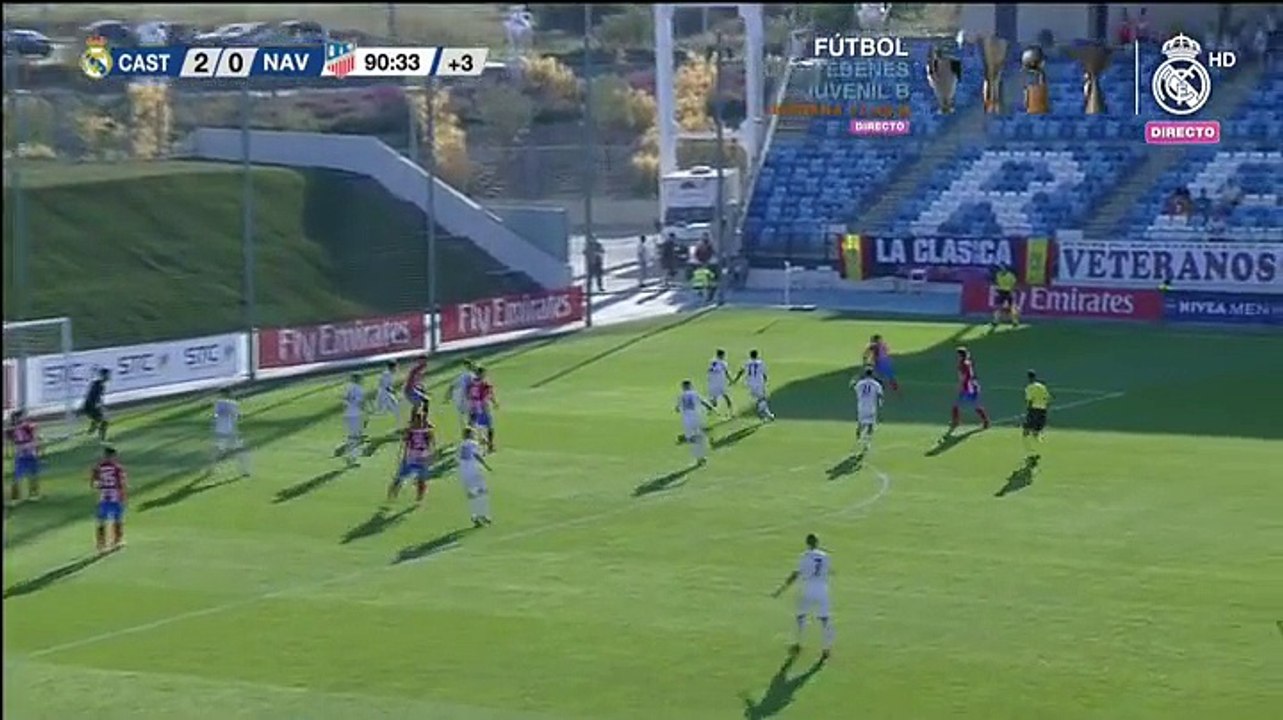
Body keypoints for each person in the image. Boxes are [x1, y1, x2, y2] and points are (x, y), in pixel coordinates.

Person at [771, 533, 833, 660]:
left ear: (807, 543)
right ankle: (826, 648)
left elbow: (796, 574)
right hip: (822, 589)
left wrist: (781, 589)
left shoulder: (804, 556)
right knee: (825, 620)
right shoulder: (825, 556)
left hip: (807, 589)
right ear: (817, 542)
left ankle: (799, 643)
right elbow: (828, 571)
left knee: (801, 616)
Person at [389, 411, 434, 505]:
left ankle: (419, 499)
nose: (419, 422)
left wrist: (430, 456)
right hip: (411, 458)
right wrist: (403, 456)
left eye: (420, 420)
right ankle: (391, 496)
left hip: (422, 458)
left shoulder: (427, 432)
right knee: (399, 478)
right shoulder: (410, 432)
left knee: (421, 481)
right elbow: (405, 444)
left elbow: (431, 445)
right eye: (417, 420)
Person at [91, 446, 127, 553]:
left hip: (103, 496)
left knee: (101, 520)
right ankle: (117, 541)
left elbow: (94, 483)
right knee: (117, 519)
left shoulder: (98, 467)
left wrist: (99, 487)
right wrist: (122, 495)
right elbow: (121, 482)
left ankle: (101, 545)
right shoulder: (117, 468)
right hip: (114, 495)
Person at [949, 346, 991, 433]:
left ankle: (956, 422)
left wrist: (960, 386)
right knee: (974, 406)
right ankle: (986, 421)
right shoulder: (967, 363)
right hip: (972, 386)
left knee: (957, 405)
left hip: (968, 388)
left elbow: (963, 377)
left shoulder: (963, 364)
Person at [459, 426, 493, 527]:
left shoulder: (461, 445)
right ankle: (482, 515)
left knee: (472, 495)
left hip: (464, 473)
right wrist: (486, 466)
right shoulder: (473, 443)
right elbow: (477, 455)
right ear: (470, 434)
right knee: (482, 493)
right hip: (474, 472)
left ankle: (475, 516)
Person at [675, 379, 715, 464]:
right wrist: (711, 408)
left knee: (694, 439)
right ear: (690, 386)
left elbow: (677, 409)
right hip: (697, 417)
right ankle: (701, 456)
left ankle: (699, 458)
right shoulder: (695, 393)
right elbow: (704, 402)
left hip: (686, 419)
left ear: (683, 387)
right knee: (700, 437)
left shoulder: (681, 396)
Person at [213, 388, 250, 477]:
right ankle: (244, 471)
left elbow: (216, 415)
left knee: (219, 450)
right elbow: (236, 416)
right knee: (240, 451)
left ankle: (212, 469)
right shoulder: (233, 404)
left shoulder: (218, 403)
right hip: (230, 432)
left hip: (221, 431)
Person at [7, 410, 41, 503]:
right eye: (22, 417)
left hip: (29, 453)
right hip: (22, 454)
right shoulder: (17, 429)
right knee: (18, 476)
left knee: (33, 474)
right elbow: (18, 441)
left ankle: (33, 494)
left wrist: (35, 442)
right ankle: (16, 497)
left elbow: (34, 429)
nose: (24, 419)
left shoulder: (25, 427)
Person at [733, 349, 775, 421]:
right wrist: (765, 381)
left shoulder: (747, 363)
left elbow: (741, 372)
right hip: (759, 383)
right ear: (757, 355)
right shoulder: (761, 363)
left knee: (760, 399)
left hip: (750, 384)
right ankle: (765, 414)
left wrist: (735, 380)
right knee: (762, 399)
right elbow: (764, 374)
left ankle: (765, 414)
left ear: (750, 355)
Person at [851, 367, 884, 454]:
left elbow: (853, 387)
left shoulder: (860, 383)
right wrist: (880, 404)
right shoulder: (876, 384)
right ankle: (867, 443)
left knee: (860, 424)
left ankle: (858, 441)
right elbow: (880, 395)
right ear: (872, 374)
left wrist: (855, 378)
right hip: (871, 407)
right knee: (870, 426)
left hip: (861, 407)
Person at [1022, 370, 1052, 463]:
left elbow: (1030, 400)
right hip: (1043, 410)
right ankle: (1037, 451)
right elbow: (1048, 398)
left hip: (1034, 410)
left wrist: (1028, 411)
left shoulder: (1029, 388)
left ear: (1029, 378)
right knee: (1037, 431)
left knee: (1026, 431)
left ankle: (1031, 452)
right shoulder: (1042, 386)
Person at [467, 366, 498, 452]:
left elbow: (469, 395)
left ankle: (469, 444)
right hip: (483, 406)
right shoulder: (485, 384)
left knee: (471, 426)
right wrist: (494, 402)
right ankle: (490, 445)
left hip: (474, 406)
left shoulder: (472, 383)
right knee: (490, 426)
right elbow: (489, 394)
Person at [339, 373, 367, 467]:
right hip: (356, 415)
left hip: (348, 415)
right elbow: (361, 403)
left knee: (352, 436)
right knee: (357, 437)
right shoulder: (359, 389)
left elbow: (343, 400)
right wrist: (366, 414)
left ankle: (348, 454)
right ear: (357, 379)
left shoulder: (347, 387)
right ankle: (351, 457)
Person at [82, 367, 110, 442]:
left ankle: (92, 430)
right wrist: (98, 406)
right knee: (104, 421)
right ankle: (101, 438)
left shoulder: (98, 384)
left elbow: (94, 396)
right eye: (107, 375)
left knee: (100, 419)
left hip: (90, 406)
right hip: (91, 407)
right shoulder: (99, 385)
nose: (109, 377)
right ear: (104, 376)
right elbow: (94, 397)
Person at [450, 360, 476, 436]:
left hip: (461, 398)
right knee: (472, 415)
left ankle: (466, 432)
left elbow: (452, 385)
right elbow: (469, 386)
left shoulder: (462, 375)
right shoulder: (470, 375)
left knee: (464, 415)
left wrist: (449, 396)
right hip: (467, 398)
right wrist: (469, 396)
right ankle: (470, 432)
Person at [991, 264, 1021, 329]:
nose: (1001, 269)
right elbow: (997, 282)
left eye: (1002, 268)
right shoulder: (998, 274)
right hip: (1001, 291)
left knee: (1012, 307)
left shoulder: (1010, 275)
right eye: (1000, 268)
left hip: (1008, 292)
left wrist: (1011, 289)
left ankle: (1015, 321)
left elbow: (1014, 283)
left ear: (1005, 269)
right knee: (999, 307)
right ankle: (995, 321)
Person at [707, 349, 734, 415]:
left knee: (714, 398)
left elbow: (709, 371)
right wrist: (731, 380)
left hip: (712, 382)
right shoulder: (723, 363)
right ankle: (731, 411)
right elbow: (726, 372)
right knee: (726, 396)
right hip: (720, 382)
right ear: (721, 355)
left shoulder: (712, 361)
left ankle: (711, 410)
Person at [375, 360, 402, 425]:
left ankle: (400, 424)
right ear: (392, 367)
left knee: (395, 409)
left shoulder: (388, 374)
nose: (397, 369)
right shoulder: (387, 375)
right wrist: (395, 393)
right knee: (395, 409)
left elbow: (386, 386)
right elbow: (387, 387)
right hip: (385, 395)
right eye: (396, 367)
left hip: (385, 394)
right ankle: (400, 425)